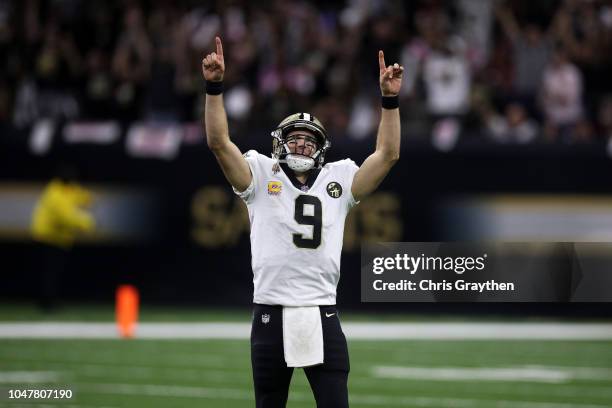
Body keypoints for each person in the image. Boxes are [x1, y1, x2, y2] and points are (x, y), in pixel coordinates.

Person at [202, 36, 403, 408]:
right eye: (294, 140)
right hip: (270, 311)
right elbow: (218, 142)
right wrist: (214, 87)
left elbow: (388, 154)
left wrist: (389, 100)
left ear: (321, 149)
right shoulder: (260, 174)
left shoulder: (339, 179)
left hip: (321, 312)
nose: (301, 146)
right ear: (280, 144)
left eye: (309, 142)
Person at [31, 164, 95, 310]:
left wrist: (87, 198)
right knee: (49, 273)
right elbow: (67, 217)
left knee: (55, 273)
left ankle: (51, 300)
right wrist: (88, 223)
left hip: (59, 239)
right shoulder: (55, 194)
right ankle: (47, 303)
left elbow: (80, 195)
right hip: (47, 238)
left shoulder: (68, 189)